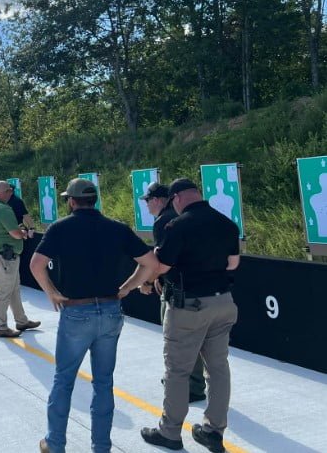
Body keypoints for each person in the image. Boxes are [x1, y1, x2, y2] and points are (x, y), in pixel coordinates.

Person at [30, 178, 158, 453]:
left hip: (76, 310)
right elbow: (150, 263)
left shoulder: (60, 228)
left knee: (64, 380)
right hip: (111, 310)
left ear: (72, 201)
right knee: (103, 383)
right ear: (95, 200)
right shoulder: (117, 228)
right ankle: (101, 447)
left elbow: (36, 264)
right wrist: (126, 288)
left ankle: (55, 443)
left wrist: (51, 292)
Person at [140, 178, 240, 453]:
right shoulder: (227, 224)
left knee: (178, 371)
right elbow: (233, 263)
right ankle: (213, 431)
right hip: (223, 302)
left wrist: (144, 282)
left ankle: (170, 432)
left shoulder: (177, 225)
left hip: (188, 306)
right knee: (218, 369)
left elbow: (161, 265)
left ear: (177, 198)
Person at [142, 182, 206, 403]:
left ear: (159, 199)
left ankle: (192, 384)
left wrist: (153, 279)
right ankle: (189, 380)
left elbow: (164, 258)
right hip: (192, 285)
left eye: (148, 200)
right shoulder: (173, 217)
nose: (146, 205)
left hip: (177, 288)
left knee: (177, 338)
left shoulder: (163, 222)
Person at [0, 181, 40, 338]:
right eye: (9, 191)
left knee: (13, 290)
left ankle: (21, 321)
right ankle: (1, 326)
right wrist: (24, 233)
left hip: (0, 255)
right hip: (5, 257)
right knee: (4, 292)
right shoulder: (3, 209)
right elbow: (15, 233)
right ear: (4, 192)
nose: (11, 194)